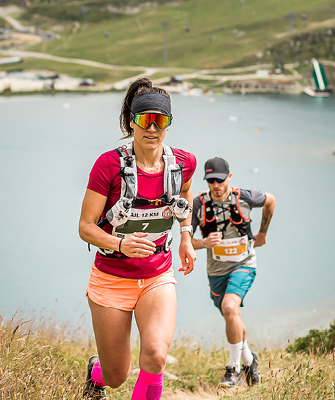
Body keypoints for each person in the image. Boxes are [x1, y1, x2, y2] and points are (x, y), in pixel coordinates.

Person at [78, 77, 197, 400]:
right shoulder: (108, 165)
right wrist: (120, 244)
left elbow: (185, 198)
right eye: (145, 120)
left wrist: (186, 235)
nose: (153, 128)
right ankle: (96, 371)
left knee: (157, 354)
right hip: (111, 278)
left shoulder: (184, 164)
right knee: (116, 376)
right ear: (132, 122)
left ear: (169, 124)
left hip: (158, 275)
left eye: (161, 121)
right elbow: (86, 227)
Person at [190, 157, 275, 388]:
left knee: (230, 307)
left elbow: (270, 200)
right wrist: (204, 243)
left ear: (229, 177)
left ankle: (233, 371)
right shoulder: (199, 204)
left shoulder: (244, 197)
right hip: (216, 271)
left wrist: (263, 232)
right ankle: (249, 360)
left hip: (244, 264)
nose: (215, 185)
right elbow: (186, 241)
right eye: (210, 181)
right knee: (231, 316)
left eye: (219, 180)